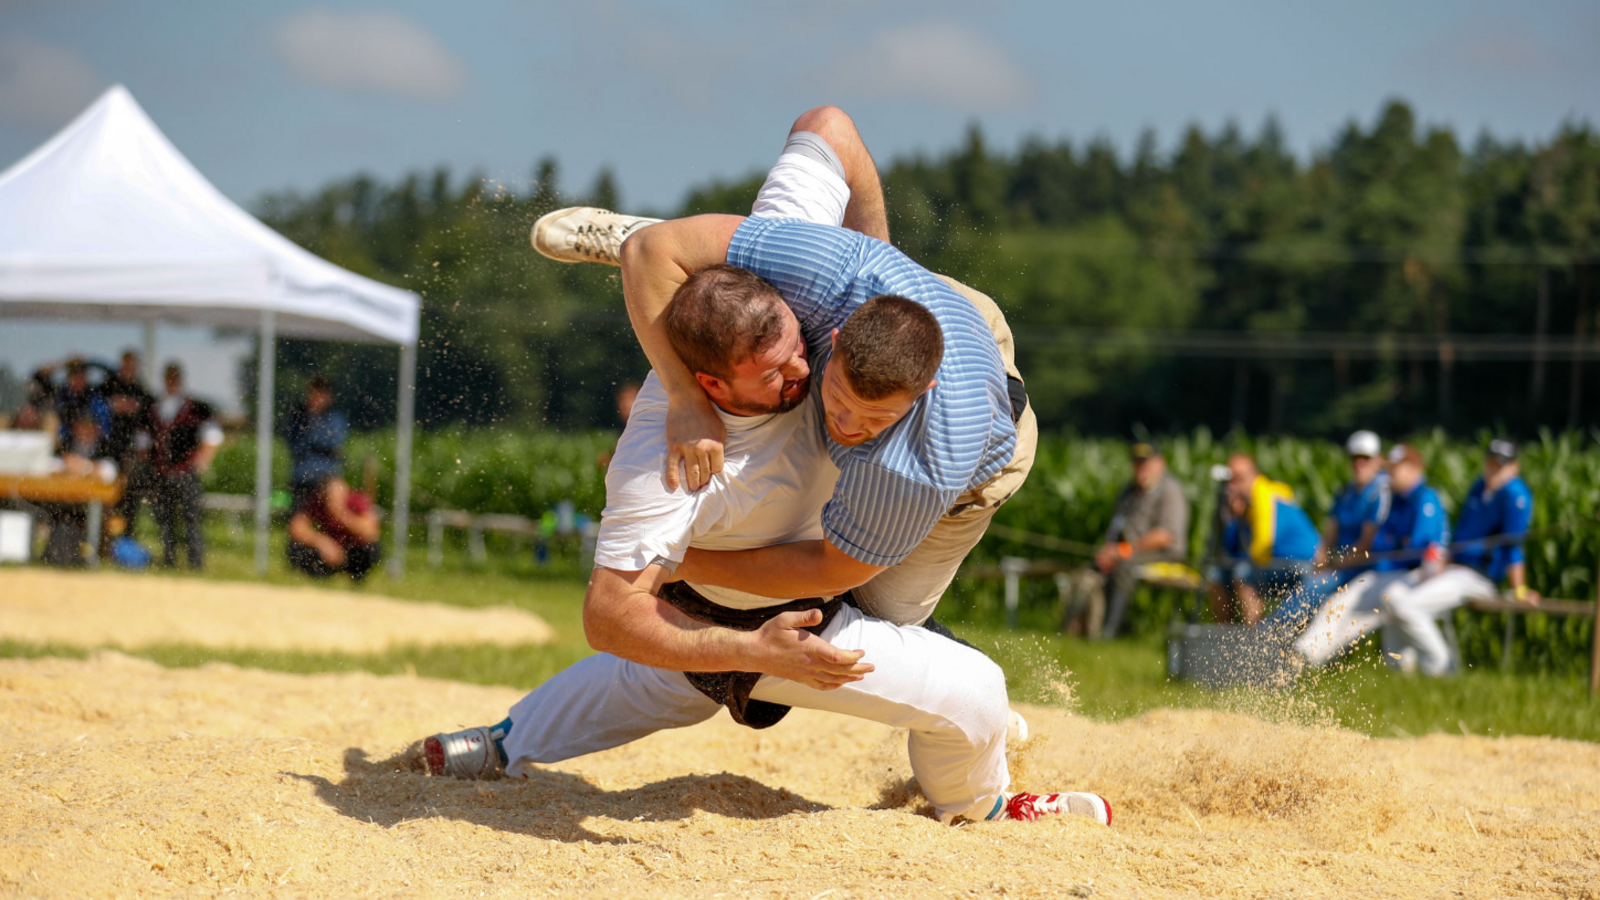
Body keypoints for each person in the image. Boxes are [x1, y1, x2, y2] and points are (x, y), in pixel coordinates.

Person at [423, 109, 1110, 828]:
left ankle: (667, 246)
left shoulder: (827, 305)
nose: (805, 380)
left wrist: (690, 562)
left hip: (954, 371)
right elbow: (612, 613)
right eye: (793, 380)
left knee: (875, 624)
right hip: (751, 598)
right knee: (970, 691)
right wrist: (750, 645)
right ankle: (986, 806)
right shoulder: (672, 457)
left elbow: (831, 127)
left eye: (800, 355)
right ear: (713, 384)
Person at [535, 105, 1034, 630]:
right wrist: (685, 397)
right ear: (838, 335)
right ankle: (702, 262)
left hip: (984, 443)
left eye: (871, 421)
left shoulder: (916, 467)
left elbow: (829, 571)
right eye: (839, 398)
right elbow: (829, 123)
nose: (846, 425)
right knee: (698, 269)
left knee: (880, 619)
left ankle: (961, 704)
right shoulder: (839, 272)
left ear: (919, 393)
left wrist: (680, 561)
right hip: (931, 306)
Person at [1379, 439, 1535, 676]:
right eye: (1491, 464)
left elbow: (1513, 547)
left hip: (1479, 577)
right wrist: (1444, 560)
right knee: (1391, 597)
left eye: (1500, 466)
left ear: (1514, 468)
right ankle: (1398, 670)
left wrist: (1520, 590)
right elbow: (1463, 534)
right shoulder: (1479, 487)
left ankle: (1443, 668)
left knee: (1406, 606)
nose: (1494, 470)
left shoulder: (1516, 495)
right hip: (1455, 568)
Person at [1293, 443, 1447, 668]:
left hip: (1415, 576)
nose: (1390, 473)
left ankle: (1441, 666)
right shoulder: (1395, 500)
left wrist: (1394, 545)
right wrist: (1395, 544)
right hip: (1387, 573)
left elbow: (1417, 545)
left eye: (1396, 468)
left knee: (1383, 605)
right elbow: (1380, 543)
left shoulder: (1426, 498)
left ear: (1413, 468)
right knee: (1341, 603)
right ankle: (1305, 655)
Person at [1268, 430, 1392, 630]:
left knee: (1313, 587)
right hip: (1339, 565)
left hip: (1362, 567)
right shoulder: (1345, 492)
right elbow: (1330, 532)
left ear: (1378, 460)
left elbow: (1366, 546)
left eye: (1365, 458)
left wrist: (1334, 563)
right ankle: (1269, 634)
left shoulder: (1380, 493)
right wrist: (1322, 557)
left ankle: (1270, 635)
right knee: (1292, 574)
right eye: (1354, 458)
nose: (1359, 464)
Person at [1065, 442, 1190, 639]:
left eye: (1146, 463)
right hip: (1128, 551)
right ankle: (1072, 628)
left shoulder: (1170, 490)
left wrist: (1123, 550)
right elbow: (1116, 528)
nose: (1141, 468)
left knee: (1124, 566)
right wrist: (1108, 551)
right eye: (1137, 463)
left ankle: (1110, 632)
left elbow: (1165, 536)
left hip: (1166, 555)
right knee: (1090, 569)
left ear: (1161, 463)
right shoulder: (1129, 492)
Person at [1209, 454, 1320, 626]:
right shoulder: (1249, 505)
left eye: (1239, 479)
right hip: (1277, 563)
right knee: (1216, 574)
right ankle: (1225, 636)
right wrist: (1235, 519)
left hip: (1303, 565)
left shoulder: (1265, 498)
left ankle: (1256, 640)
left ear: (1255, 477)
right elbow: (1230, 550)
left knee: (1243, 573)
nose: (1233, 486)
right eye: (1231, 480)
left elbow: (1261, 549)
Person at [151, 362, 222, 569]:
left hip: (185, 471)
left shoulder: (196, 408)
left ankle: (195, 562)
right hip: (163, 472)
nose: (171, 382)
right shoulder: (155, 408)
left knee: (192, 519)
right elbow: (145, 440)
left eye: (174, 378)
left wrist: (202, 460)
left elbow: (212, 436)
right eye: (168, 378)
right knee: (165, 519)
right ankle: (169, 558)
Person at [96, 350, 155, 539]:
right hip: (108, 449)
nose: (129, 369)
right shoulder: (109, 385)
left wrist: (135, 407)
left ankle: (126, 538)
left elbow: (149, 415)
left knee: (129, 494)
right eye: (126, 365)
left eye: (132, 366)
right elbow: (95, 403)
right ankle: (103, 537)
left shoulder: (140, 390)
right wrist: (111, 405)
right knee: (105, 493)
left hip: (130, 451)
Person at [287, 476, 382, 581]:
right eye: (330, 496)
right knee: (297, 548)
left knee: (370, 548)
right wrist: (321, 542)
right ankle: (317, 578)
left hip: (352, 550)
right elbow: (296, 527)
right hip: (327, 551)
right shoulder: (318, 502)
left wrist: (342, 515)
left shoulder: (356, 500)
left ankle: (356, 579)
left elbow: (371, 532)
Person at [286, 376, 348, 499]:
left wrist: (311, 433)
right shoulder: (299, 418)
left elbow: (333, 442)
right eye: (313, 394)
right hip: (302, 477)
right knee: (299, 516)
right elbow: (293, 444)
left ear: (328, 397)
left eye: (320, 395)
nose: (316, 399)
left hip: (327, 478)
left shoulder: (335, 418)